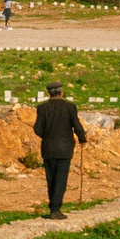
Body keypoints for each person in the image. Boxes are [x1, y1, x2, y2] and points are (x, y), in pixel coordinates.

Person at [31, 83, 87, 219]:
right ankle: (55, 209)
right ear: (62, 93)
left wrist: (47, 135)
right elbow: (77, 126)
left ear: (48, 94)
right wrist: (82, 139)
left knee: (51, 179)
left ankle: (53, 207)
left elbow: (37, 129)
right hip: (64, 149)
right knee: (61, 179)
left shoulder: (42, 108)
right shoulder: (70, 107)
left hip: (48, 148)